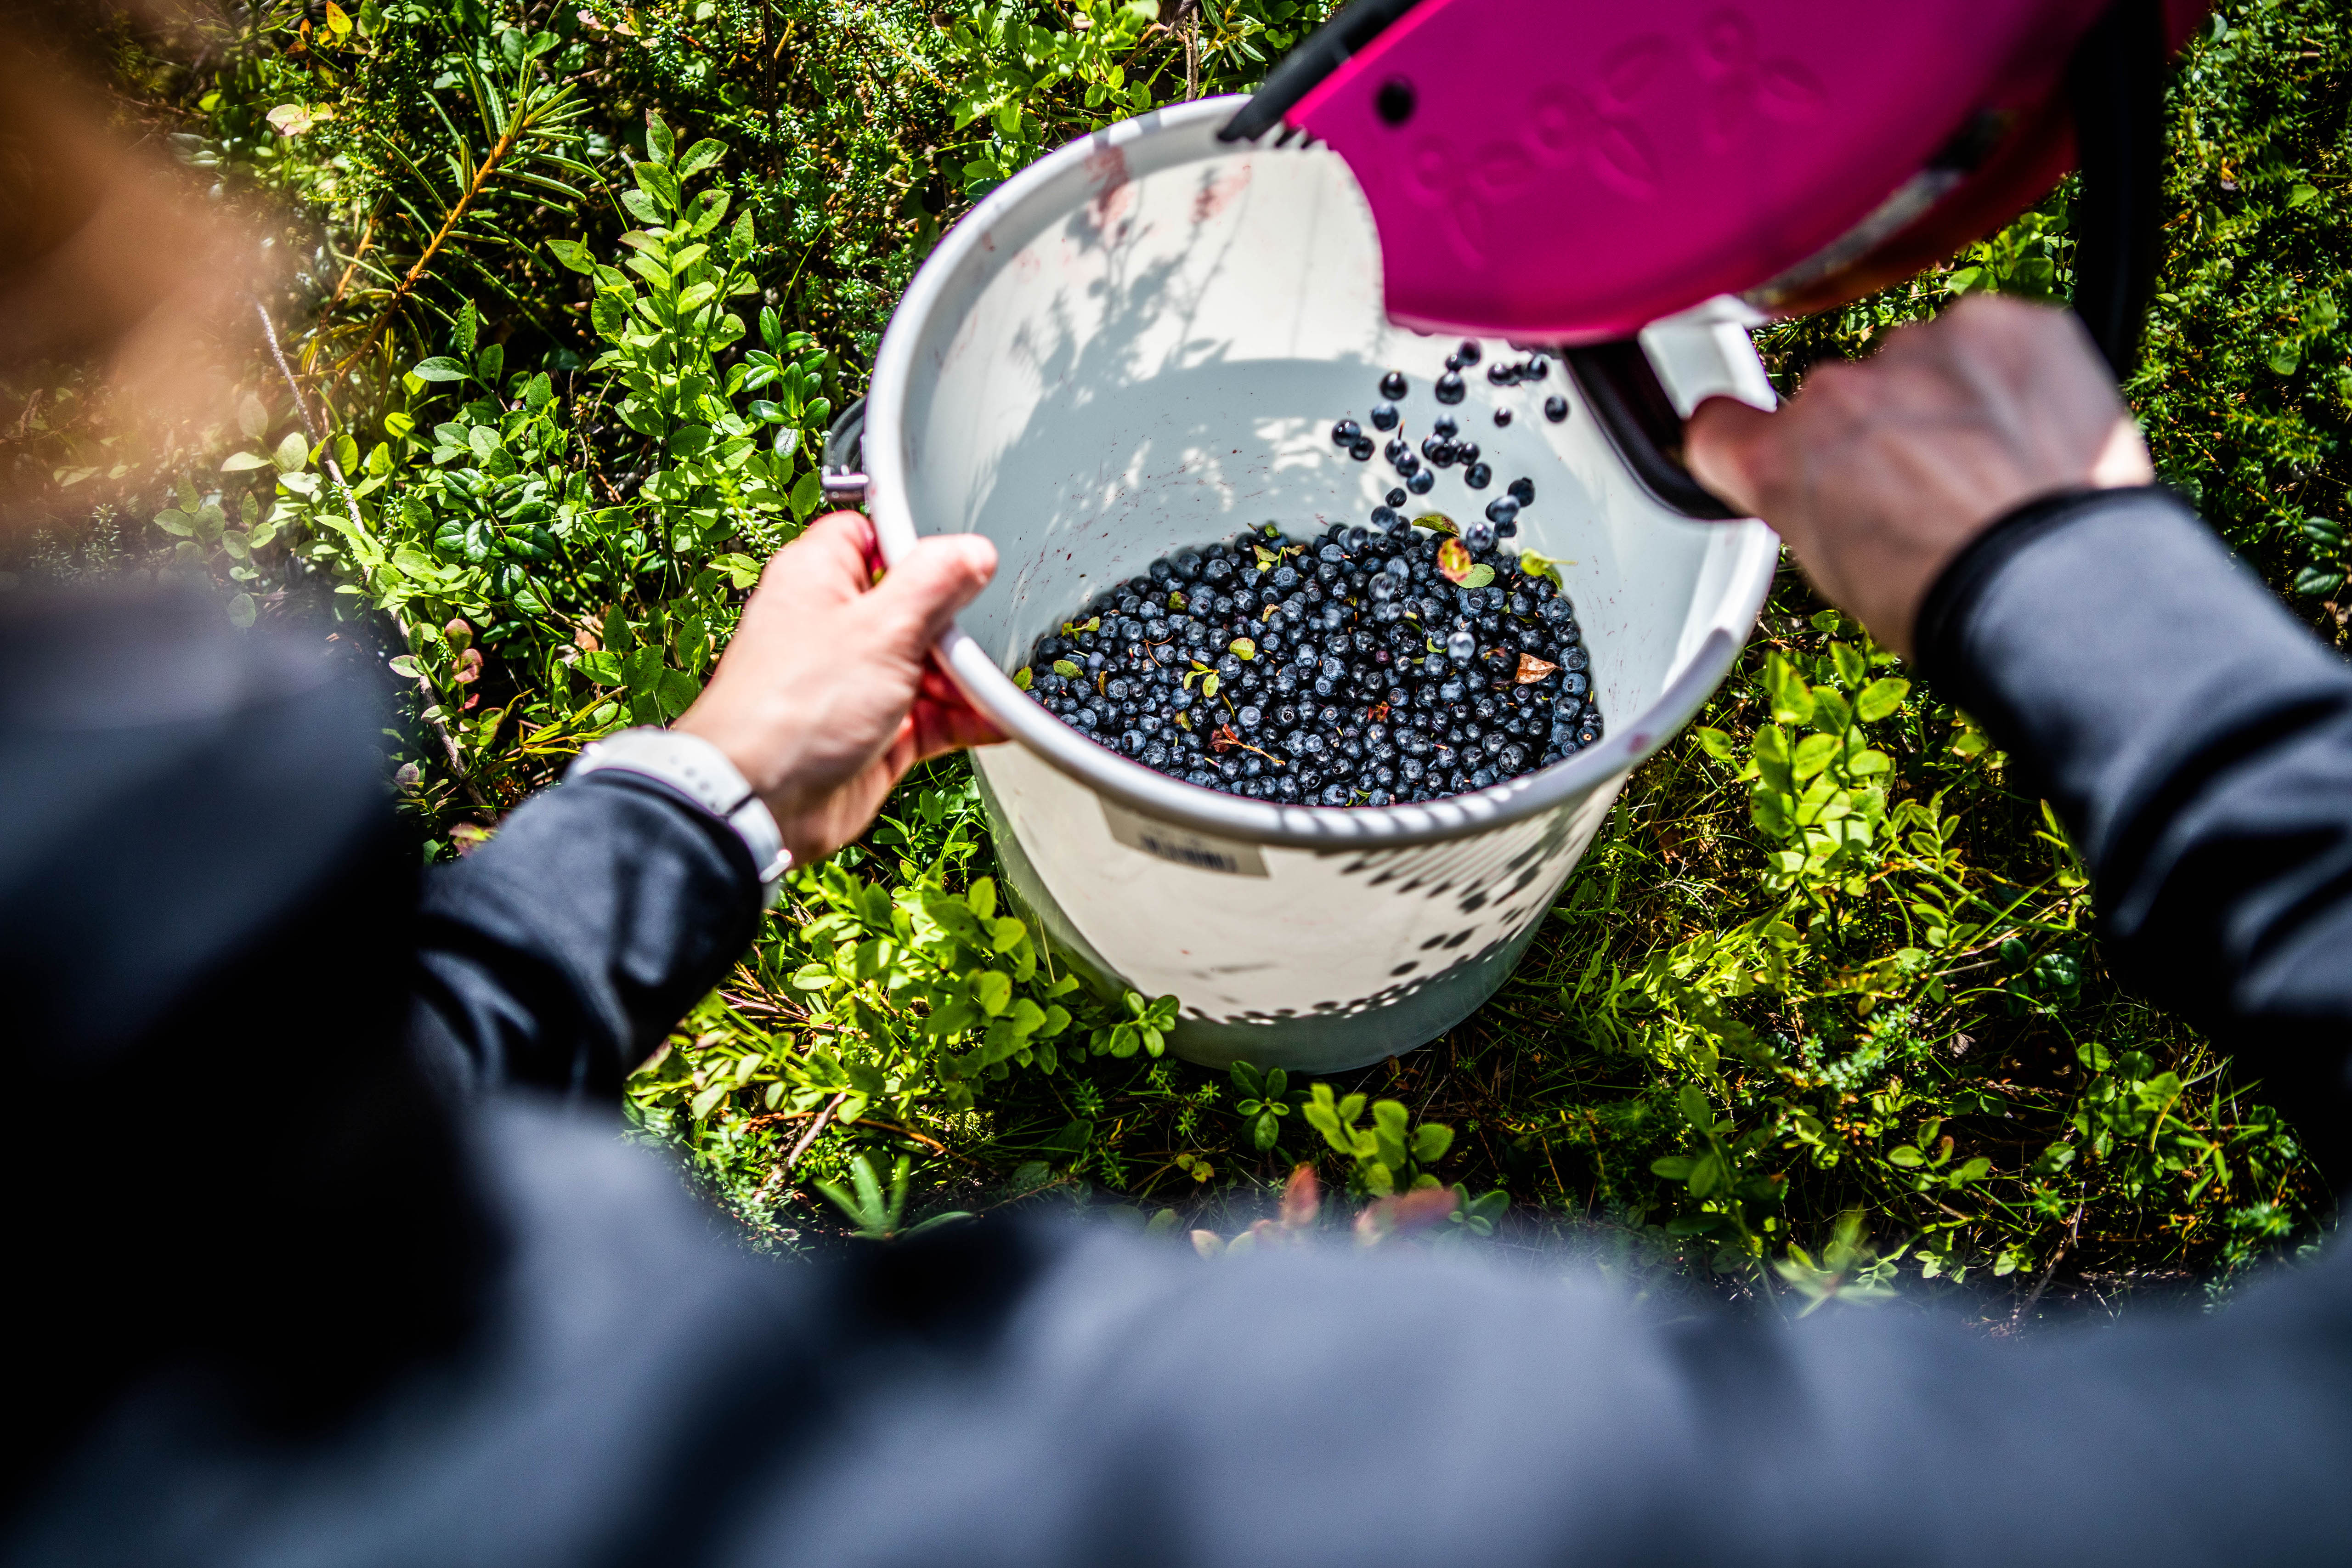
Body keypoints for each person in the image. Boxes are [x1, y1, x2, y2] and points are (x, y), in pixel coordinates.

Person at [8, 31, 2352, 1566]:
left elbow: (258, 1150)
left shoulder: (165, 1256)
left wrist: (693, 798)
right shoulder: (1162, 1486)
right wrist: (2083, 596)